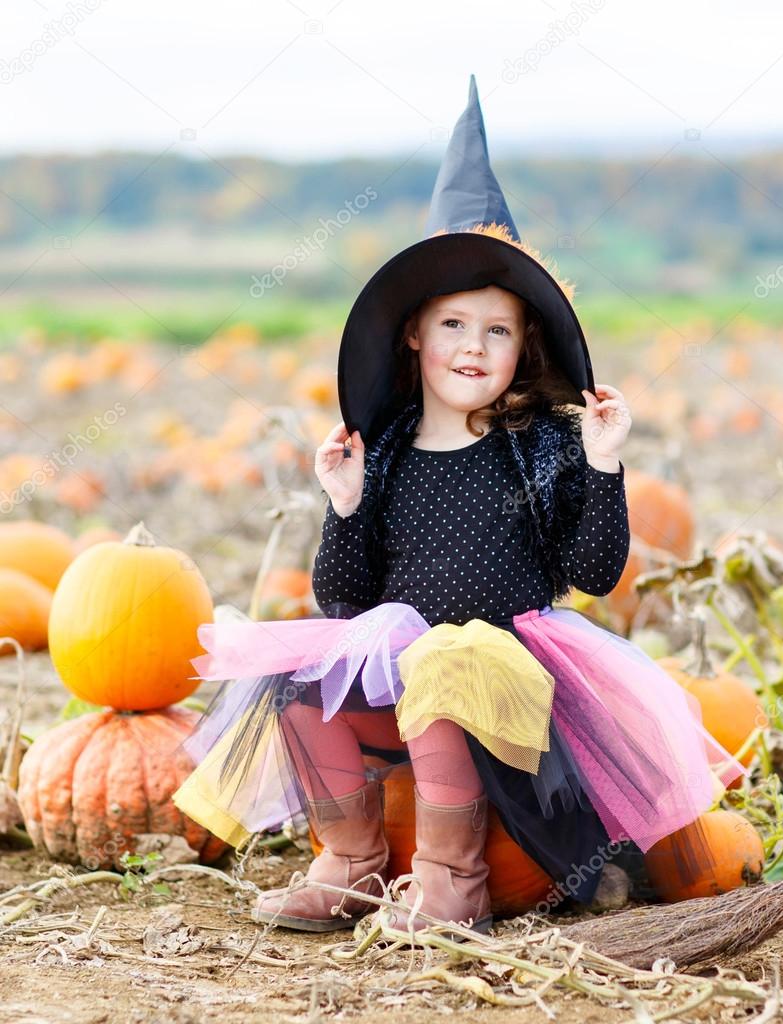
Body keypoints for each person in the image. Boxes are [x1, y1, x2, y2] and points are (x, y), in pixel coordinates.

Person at [171, 74, 747, 938]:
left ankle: (452, 881)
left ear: (525, 345)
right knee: (293, 678)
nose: (473, 346)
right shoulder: (391, 446)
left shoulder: (547, 442)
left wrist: (602, 466)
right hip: (407, 668)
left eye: (498, 329)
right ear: (414, 332)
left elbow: (593, 573)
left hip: (510, 671)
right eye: (453, 325)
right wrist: (346, 504)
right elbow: (347, 601)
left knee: (447, 667)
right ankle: (353, 864)